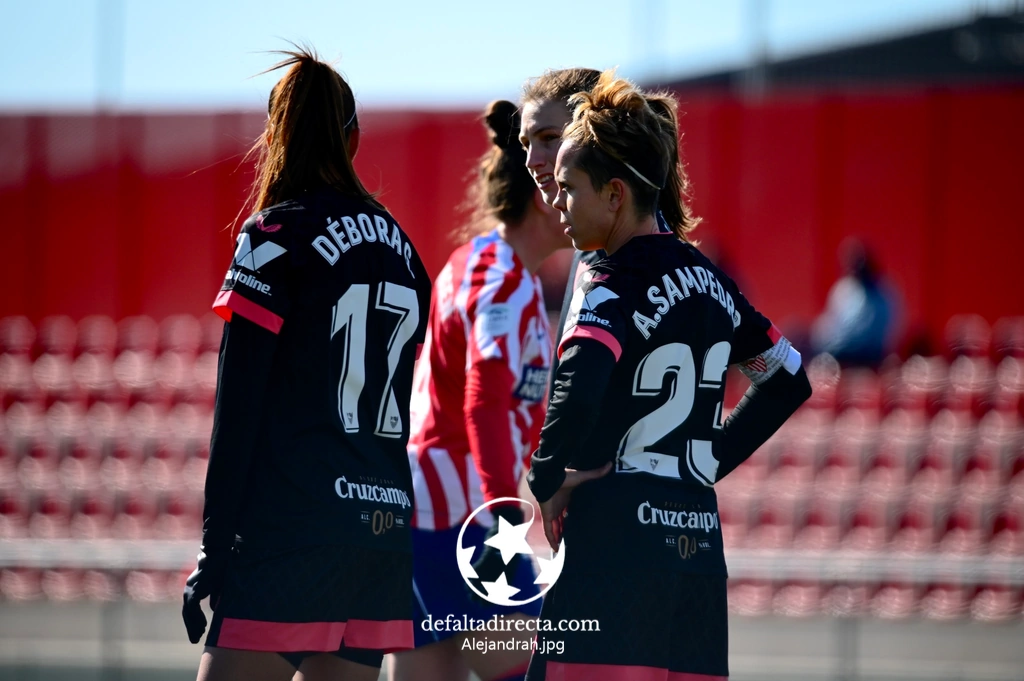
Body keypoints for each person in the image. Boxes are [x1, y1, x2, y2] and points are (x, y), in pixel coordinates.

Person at [525, 71, 813, 681]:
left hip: (614, 550)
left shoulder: (609, 280)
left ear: (615, 194)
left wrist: (546, 476)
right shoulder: (712, 282)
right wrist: (710, 459)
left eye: (571, 189)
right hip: (697, 561)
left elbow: (578, 391)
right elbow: (788, 376)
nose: (561, 205)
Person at [180, 48, 431, 681]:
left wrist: (215, 549)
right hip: (380, 532)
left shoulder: (274, 236)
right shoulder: (405, 252)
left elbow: (238, 410)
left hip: (294, 529)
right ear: (353, 138)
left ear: (276, 134)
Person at [390, 100, 571, 681]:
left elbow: (515, 406)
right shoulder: (502, 285)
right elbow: (486, 400)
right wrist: (505, 511)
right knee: (521, 667)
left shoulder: (485, 265)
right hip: (452, 516)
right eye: (566, 186)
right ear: (541, 195)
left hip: (443, 509)